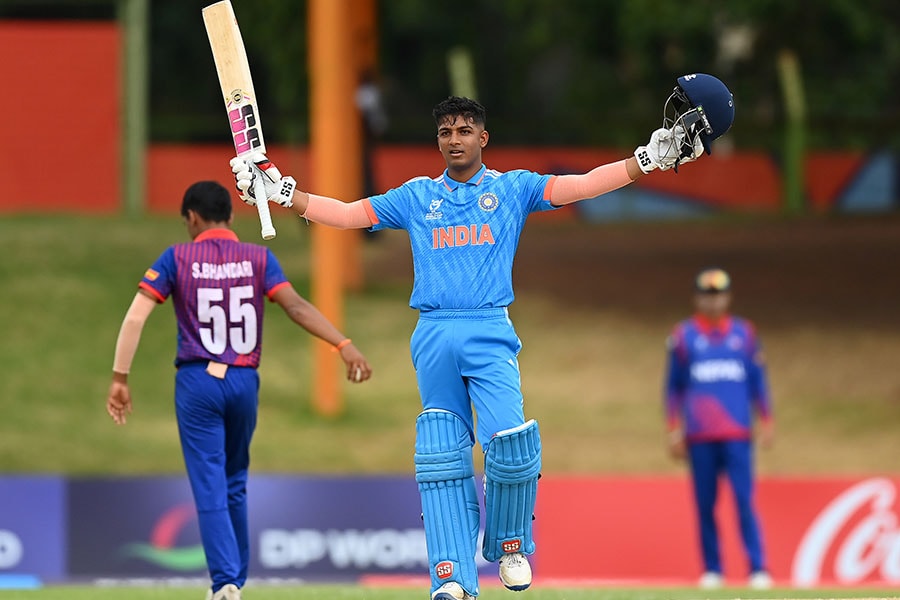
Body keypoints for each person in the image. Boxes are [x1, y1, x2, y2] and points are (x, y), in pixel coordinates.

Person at [230, 73, 734, 600]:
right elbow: (352, 214)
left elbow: (581, 185)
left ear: (482, 138)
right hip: (432, 333)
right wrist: (285, 194)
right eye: (446, 131)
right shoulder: (417, 197)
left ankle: (511, 543)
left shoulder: (512, 189)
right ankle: (452, 580)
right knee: (442, 457)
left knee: (510, 445)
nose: (454, 139)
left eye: (464, 130)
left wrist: (644, 161)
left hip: (489, 328)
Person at [104, 181, 372, 600]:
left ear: (191, 218)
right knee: (235, 480)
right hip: (245, 381)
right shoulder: (259, 257)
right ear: (230, 215)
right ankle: (236, 580)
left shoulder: (177, 257)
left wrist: (120, 378)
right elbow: (296, 307)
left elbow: (136, 317)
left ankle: (225, 582)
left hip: (198, 382)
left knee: (209, 482)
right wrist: (343, 344)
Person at [663, 267, 774, 590]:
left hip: (738, 433)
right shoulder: (683, 336)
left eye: (718, 296)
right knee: (705, 504)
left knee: (744, 500)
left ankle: (757, 568)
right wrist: (673, 429)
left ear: (728, 298)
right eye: (707, 296)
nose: (713, 302)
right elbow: (673, 388)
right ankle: (712, 569)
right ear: (697, 299)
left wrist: (767, 420)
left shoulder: (745, 334)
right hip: (700, 436)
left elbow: (758, 382)